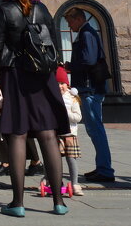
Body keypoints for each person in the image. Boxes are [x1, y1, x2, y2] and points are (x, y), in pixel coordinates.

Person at [0, 0, 71, 217]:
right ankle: (58, 202)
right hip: (42, 77)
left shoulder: (4, 9)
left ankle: (18, 203)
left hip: (15, 75)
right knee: (48, 135)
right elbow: (54, 44)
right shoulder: (42, 8)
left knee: (17, 134)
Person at [64, 7, 115, 182]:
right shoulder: (87, 33)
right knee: (94, 129)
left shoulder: (87, 33)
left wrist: (71, 66)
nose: (69, 26)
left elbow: (89, 59)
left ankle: (105, 170)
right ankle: (103, 167)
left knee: (96, 129)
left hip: (90, 88)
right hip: (90, 87)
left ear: (78, 19)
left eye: (70, 22)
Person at [55, 65, 83, 195]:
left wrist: (66, 114)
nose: (60, 86)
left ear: (67, 84)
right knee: (56, 159)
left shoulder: (72, 98)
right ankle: (54, 181)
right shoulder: (53, 98)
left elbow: (78, 117)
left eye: (63, 83)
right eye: (58, 83)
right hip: (57, 134)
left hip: (70, 134)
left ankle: (75, 183)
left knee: (71, 159)